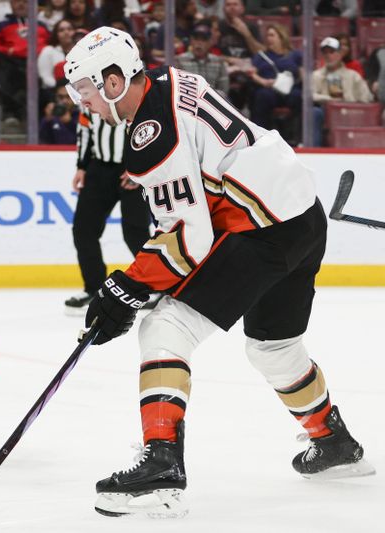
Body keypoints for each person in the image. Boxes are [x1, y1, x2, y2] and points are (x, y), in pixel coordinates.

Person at [63, 26, 375, 518]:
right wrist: (135, 283)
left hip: (262, 227)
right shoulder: (166, 80)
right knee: (275, 347)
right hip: (301, 216)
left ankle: (162, 465)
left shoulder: (150, 135)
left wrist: (128, 286)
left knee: (166, 326)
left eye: (85, 89)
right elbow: (197, 215)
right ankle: (333, 443)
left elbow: (189, 238)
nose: (85, 104)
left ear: (114, 80)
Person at [63, 89, 149, 314]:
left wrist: (140, 168)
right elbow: (84, 130)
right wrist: (81, 167)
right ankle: (93, 288)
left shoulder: (127, 92)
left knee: (135, 231)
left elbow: (147, 130)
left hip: (132, 171)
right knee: (83, 230)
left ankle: (156, 286)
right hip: (99, 168)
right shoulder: (86, 94)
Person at [312, 36, 374, 146]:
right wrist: (331, 100)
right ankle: (313, 150)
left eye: (332, 52)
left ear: (340, 53)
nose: (328, 56)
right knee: (315, 113)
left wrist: (349, 103)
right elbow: (311, 96)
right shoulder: (316, 75)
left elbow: (367, 99)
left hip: (351, 115)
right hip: (327, 117)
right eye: (325, 53)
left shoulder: (353, 76)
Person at [175, 21, 230, 98]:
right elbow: (175, 87)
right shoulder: (179, 60)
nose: (199, 43)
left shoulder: (218, 62)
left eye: (203, 40)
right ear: (191, 41)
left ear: (210, 42)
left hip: (212, 102)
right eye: (196, 39)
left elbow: (224, 89)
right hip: (188, 101)